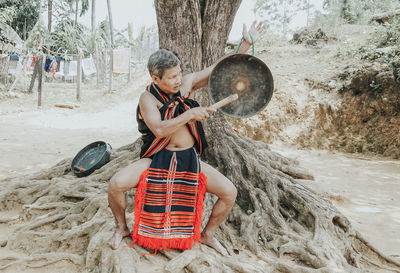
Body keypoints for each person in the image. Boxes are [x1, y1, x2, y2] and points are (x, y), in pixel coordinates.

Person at [108, 21, 265, 256]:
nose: (178, 80)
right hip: (158, 159)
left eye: (179, 73)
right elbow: (160, 130)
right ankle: (121, 228)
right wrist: (190, 114)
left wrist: (245, 44)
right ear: (155, 78)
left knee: (229, 192)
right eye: (171, 77)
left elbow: (219, 68)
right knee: (115, 185)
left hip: (189, 160)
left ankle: (208, 235)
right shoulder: (147, 98)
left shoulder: (187, 83)